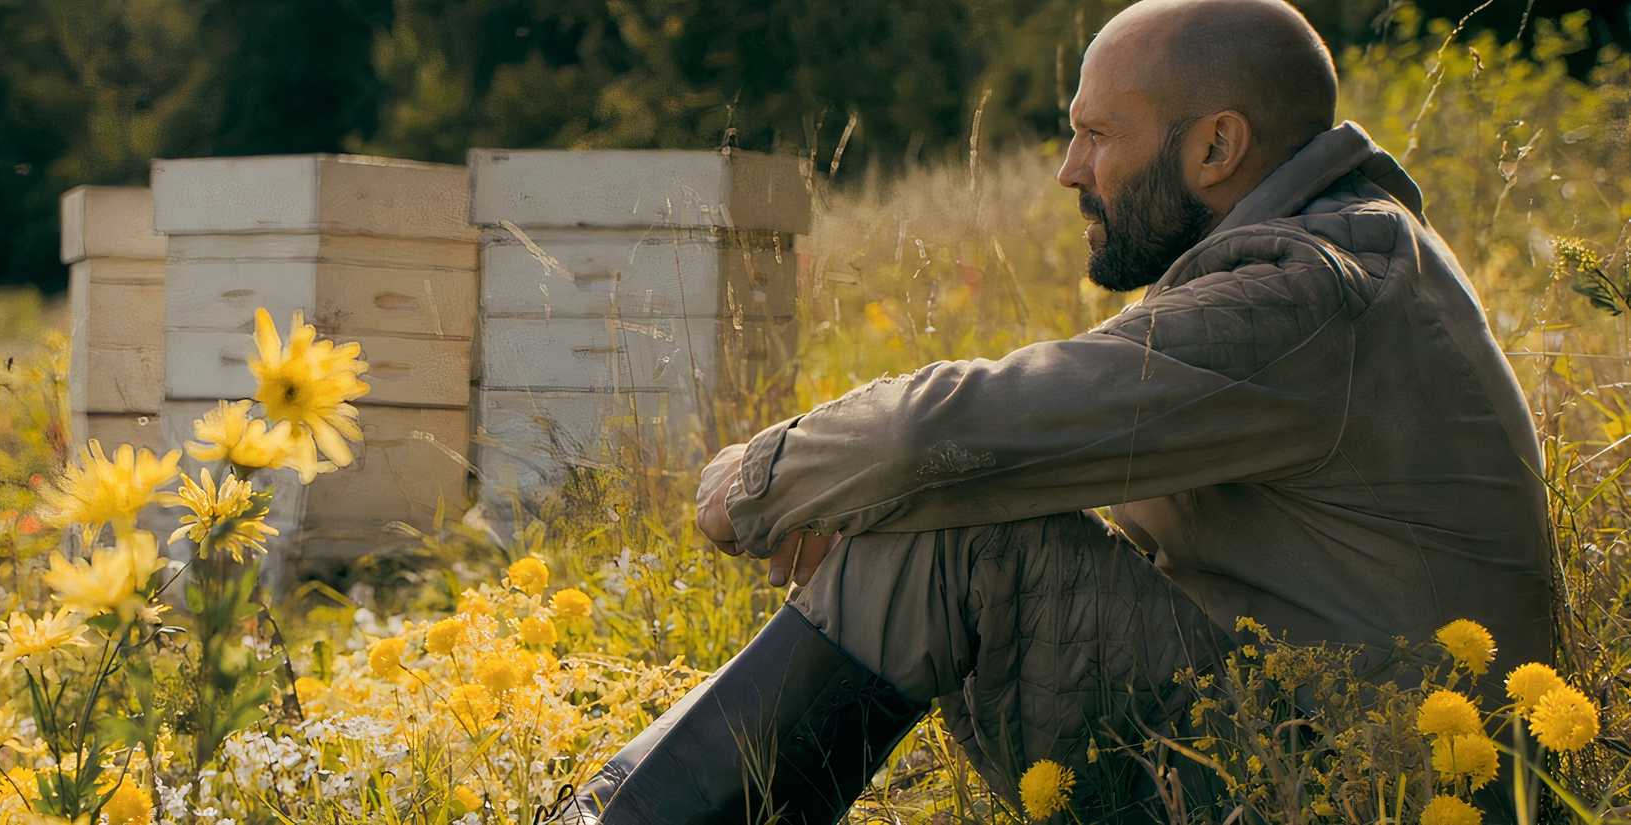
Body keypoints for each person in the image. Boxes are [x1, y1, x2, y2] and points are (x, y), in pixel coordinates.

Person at [556, 0, 1555, 821]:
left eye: (1095, 135)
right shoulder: (1345, 254)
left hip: (1374, 789)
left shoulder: (1305, 293)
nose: (1070, 170)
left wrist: (759, 479)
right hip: (1341, 749)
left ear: (1217, 146)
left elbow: (940, 432)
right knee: (941, 505)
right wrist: (882, 496)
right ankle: (603, 807)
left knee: (948, 534)